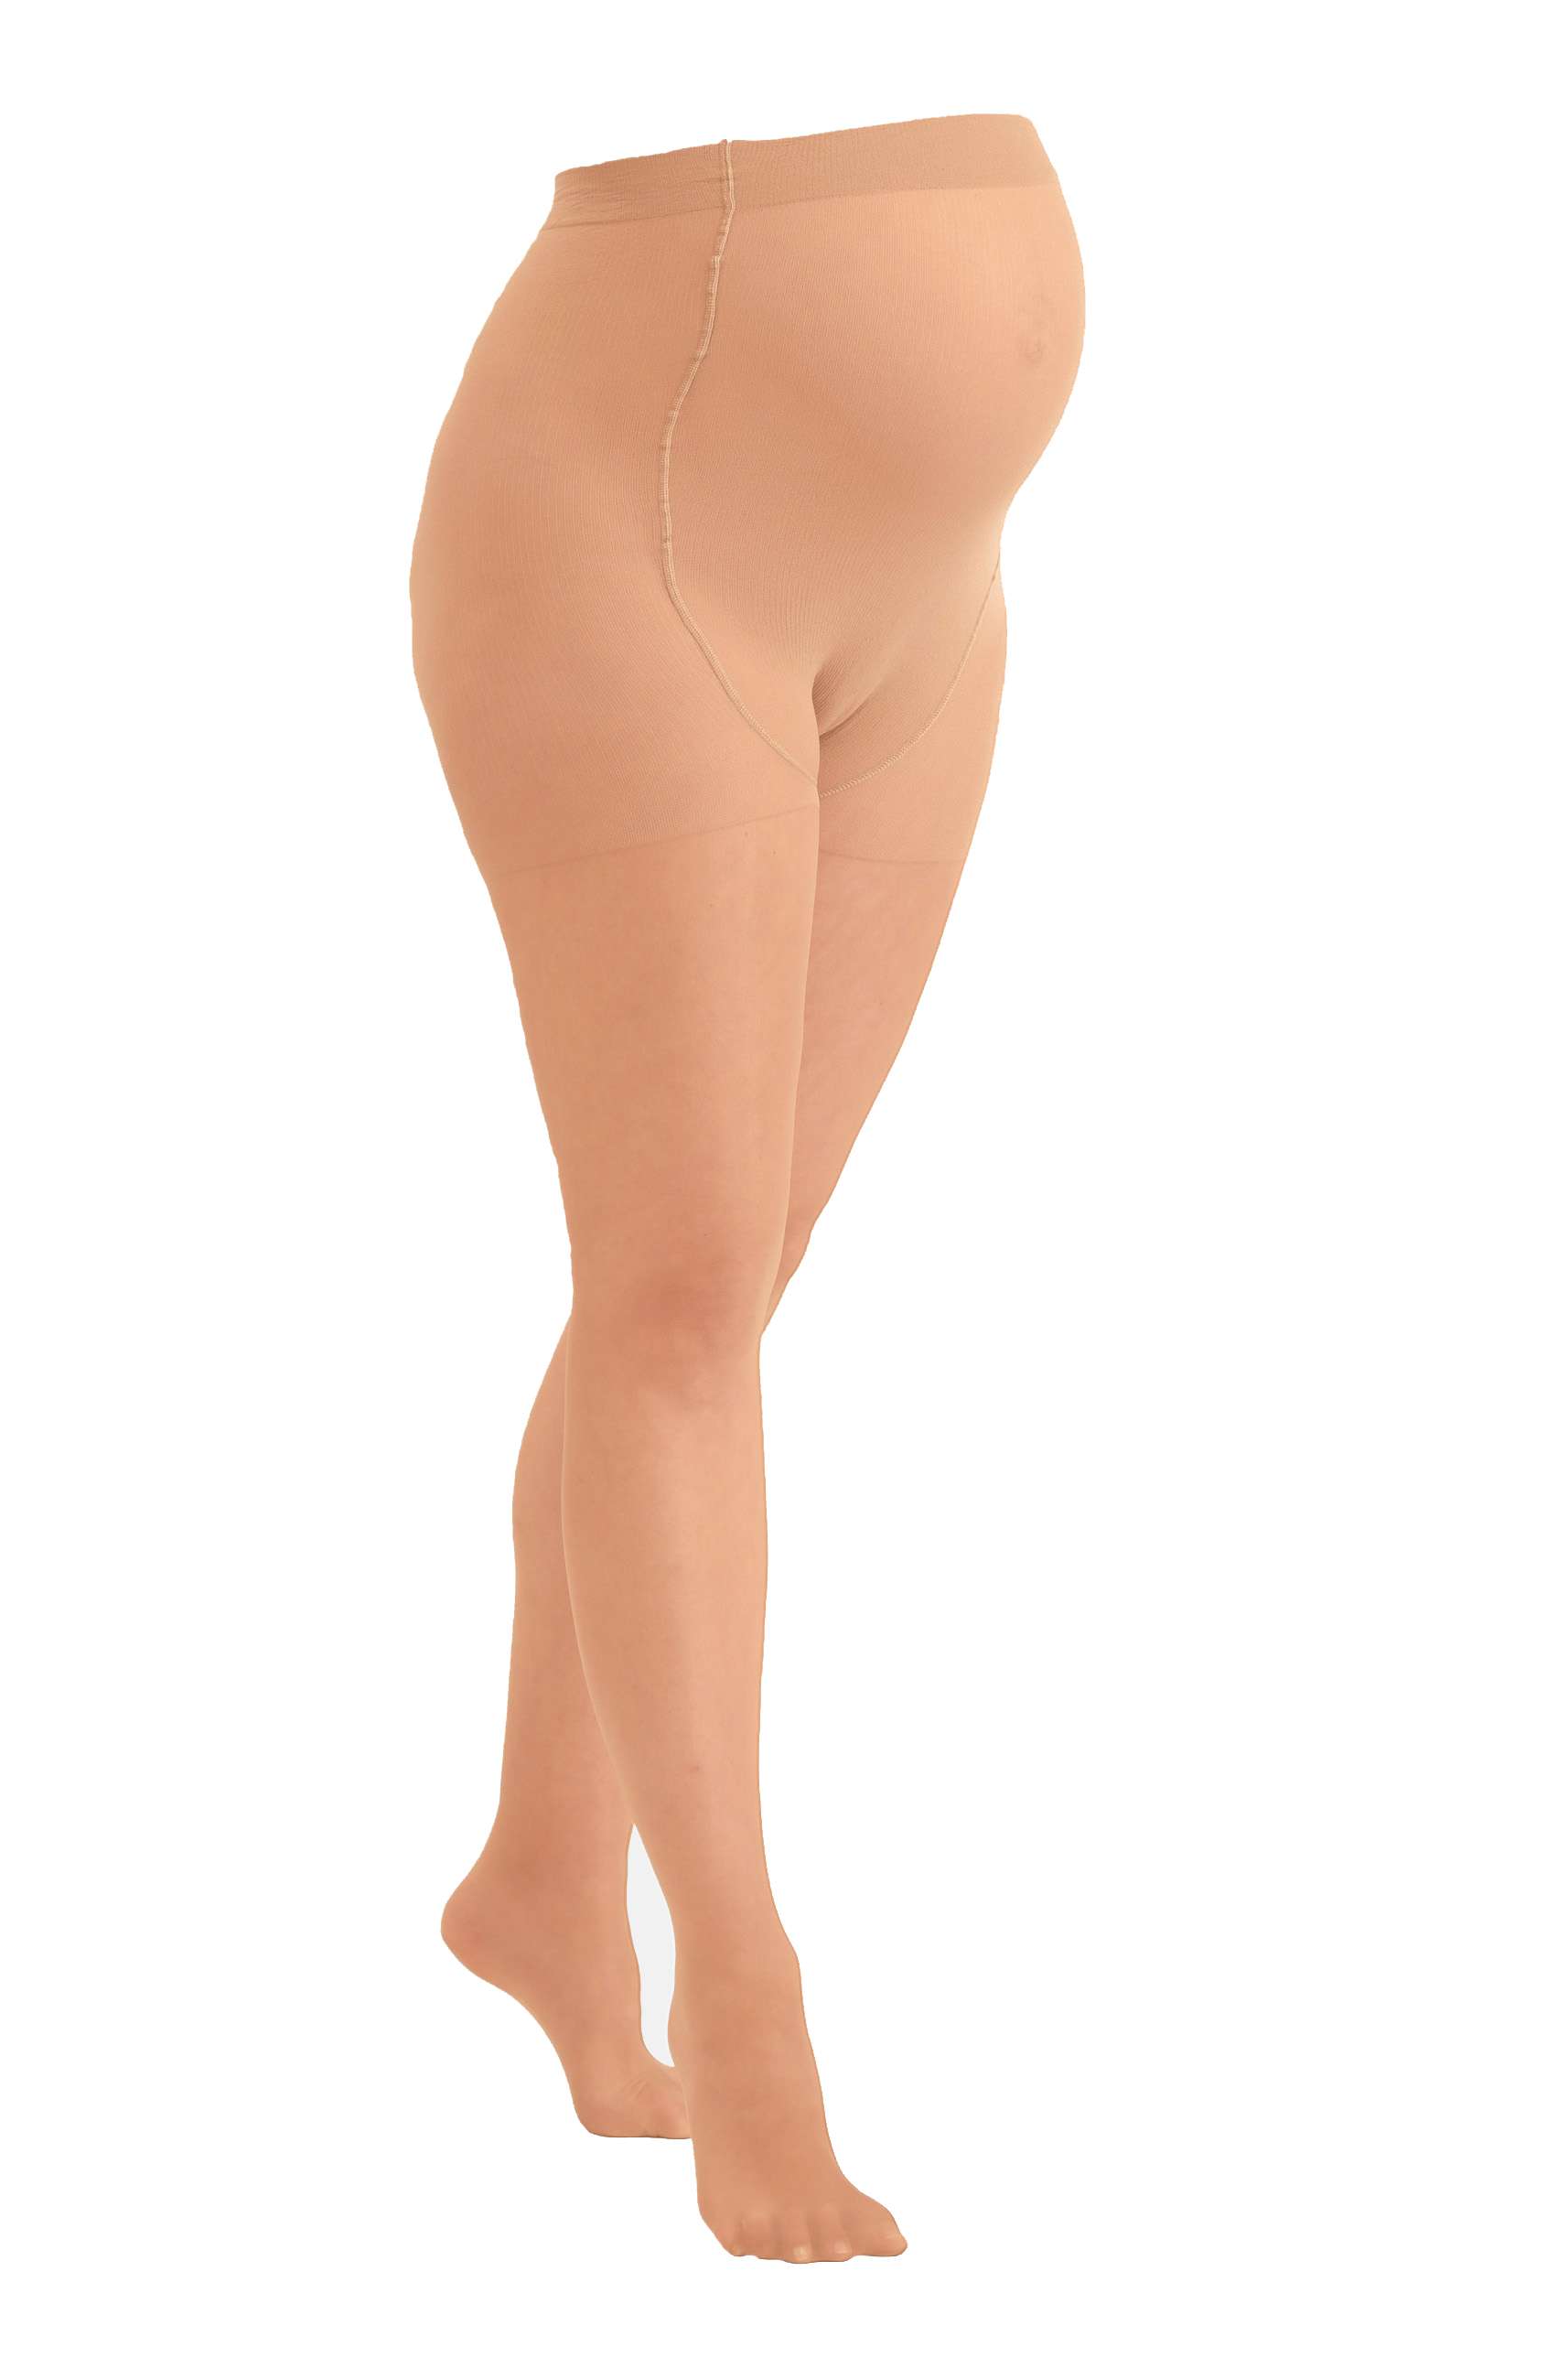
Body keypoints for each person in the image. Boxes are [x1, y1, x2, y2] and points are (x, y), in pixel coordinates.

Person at [411, 112, 1083, 2264]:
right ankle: (741, 1989)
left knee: (716, 1275)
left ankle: (542, 1871)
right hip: (637, 518)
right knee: (678, 1302)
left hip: (929, 576)